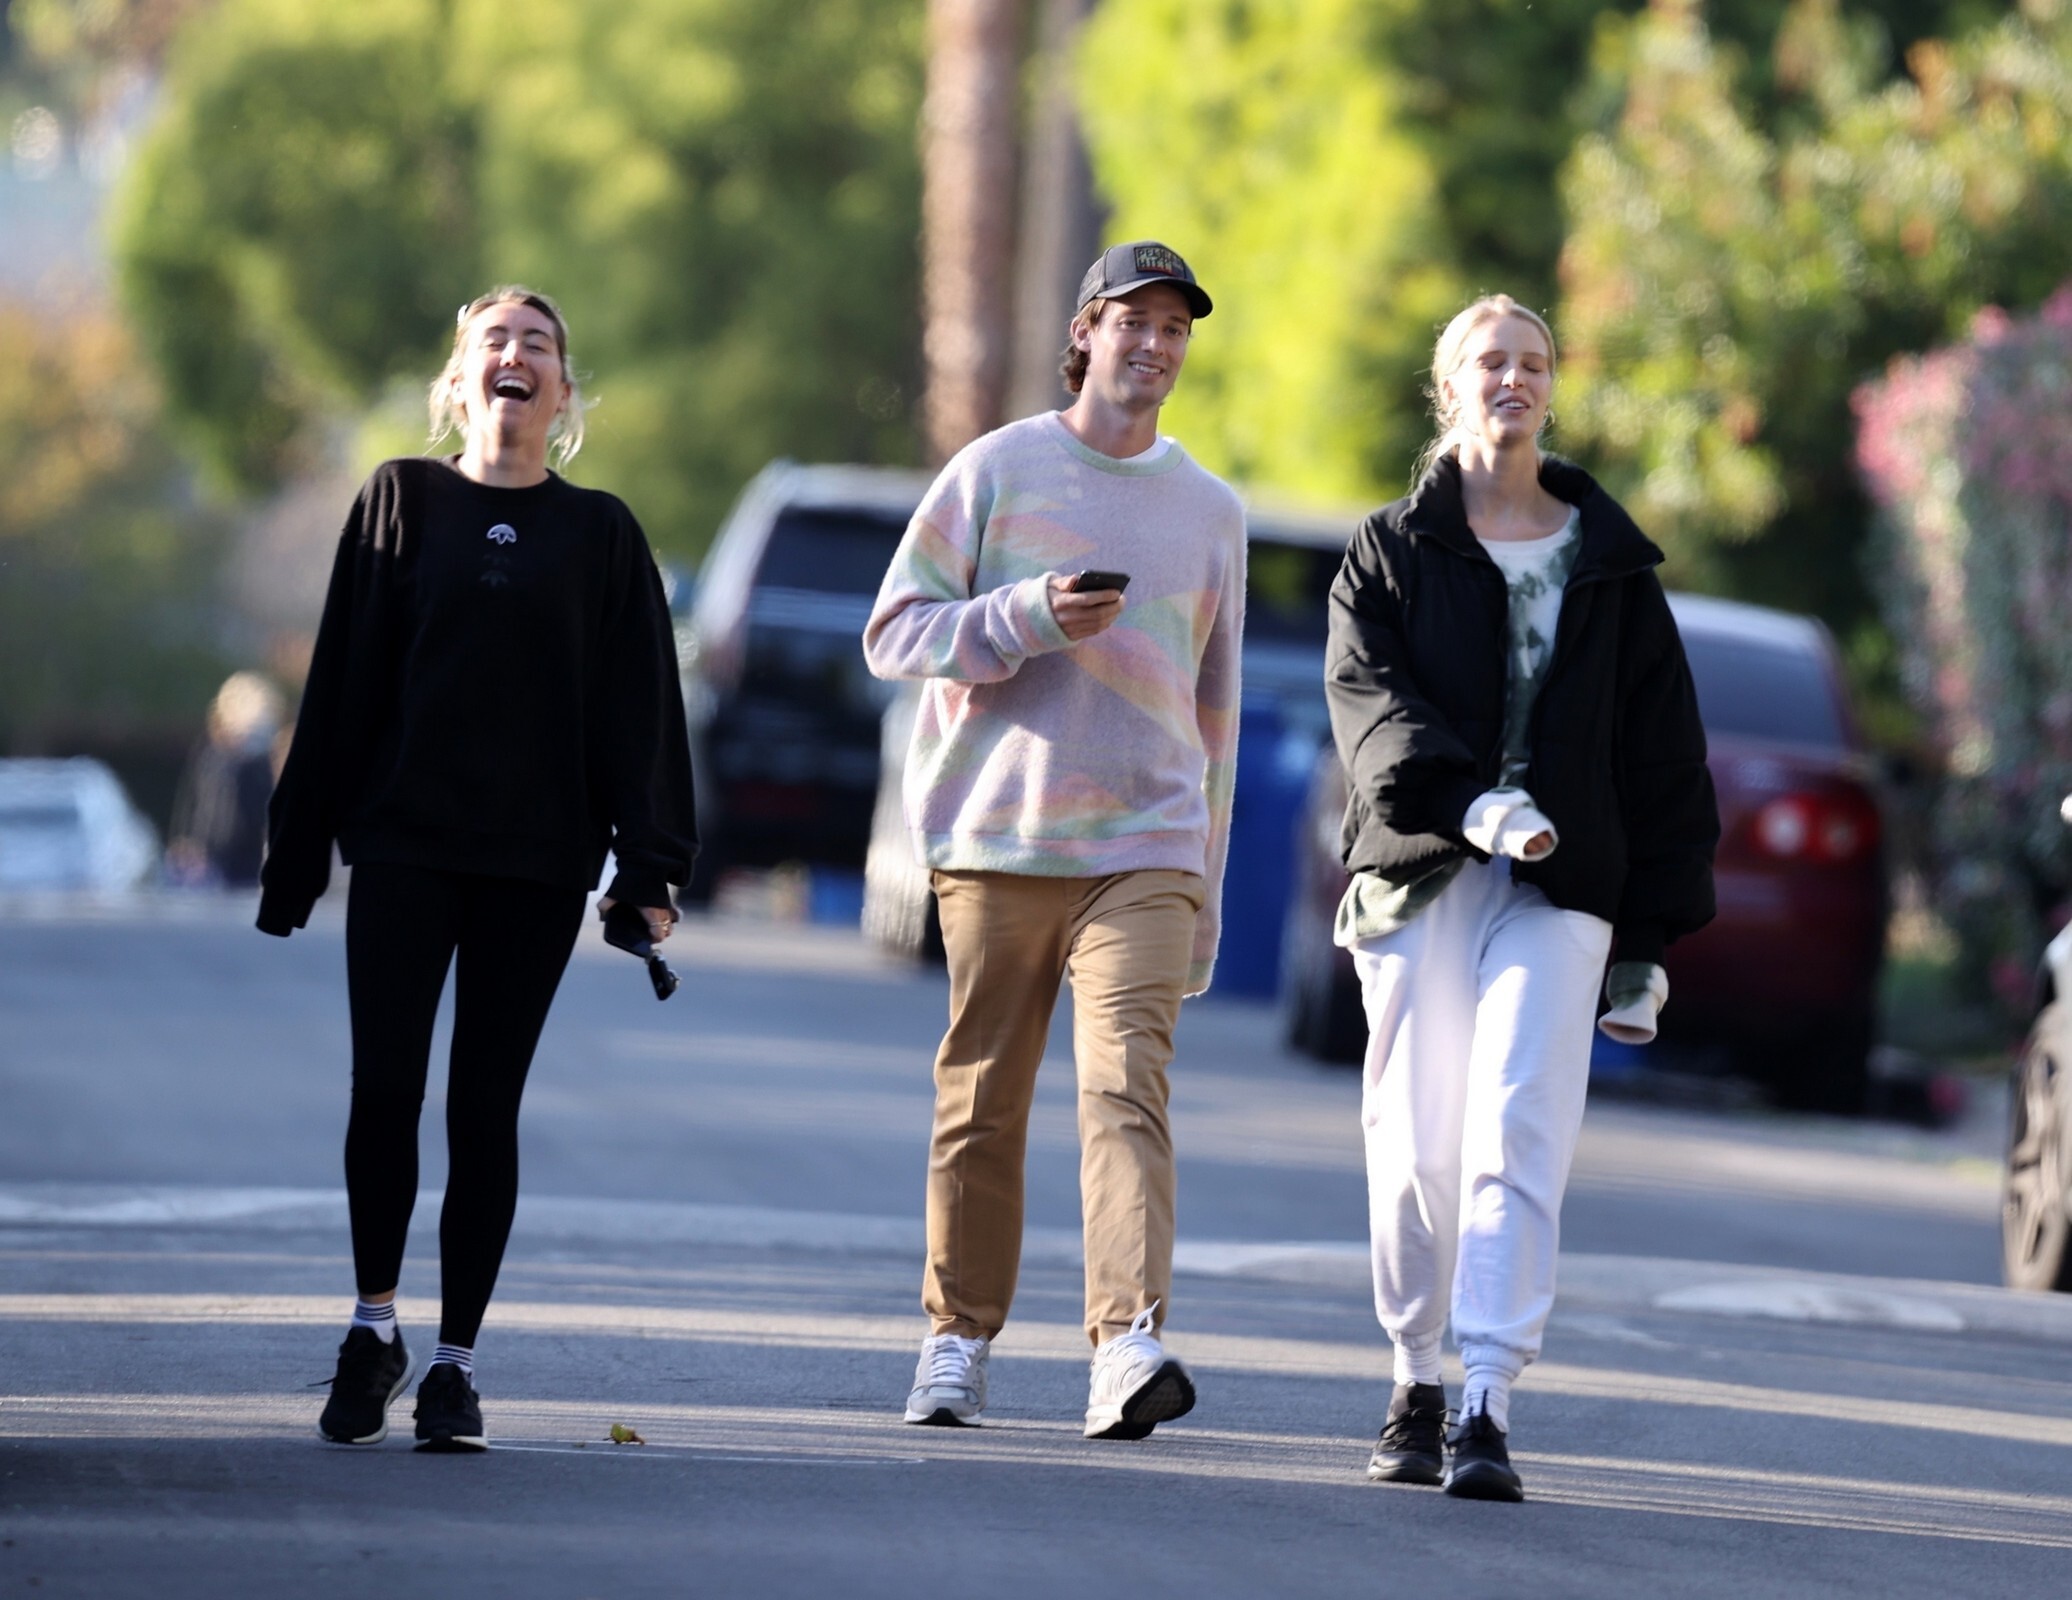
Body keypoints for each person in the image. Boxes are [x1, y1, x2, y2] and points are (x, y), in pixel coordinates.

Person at [257, 286, 697, 1451]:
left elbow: (639, 711)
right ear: (459, 382)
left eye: (537, 344)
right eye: (494, 341)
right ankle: (372, 1327)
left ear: (562, 394)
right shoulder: (399, 500)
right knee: (383, 1092)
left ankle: (453, 1365)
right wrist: (296, 856)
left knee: (483, 1107)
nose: (515, 355)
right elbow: (341, 686)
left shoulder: (601, 533)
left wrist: (648, 867)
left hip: (536, 861)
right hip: (404, 843)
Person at [1326, 295, 1716, 1500]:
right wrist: (1472, 805)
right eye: (1488, 361)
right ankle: (1412, 1377)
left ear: (1551, 386)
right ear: (1448, 386)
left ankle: (1486, 1401)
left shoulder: (1609, 563)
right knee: (1415, 1141)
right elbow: (1371, 713)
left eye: (1532, 362)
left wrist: (1644, 941)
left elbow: (1660, 757)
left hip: (1562, 884)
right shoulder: (1388, 549)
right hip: (1422, 872)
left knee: (1516, 1127)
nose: (1513, 379)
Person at [863, 242, 1245, 1440]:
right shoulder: (994, 469)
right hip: (1001, 837)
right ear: (1084, 332)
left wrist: (1204, 885)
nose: (1154, 345)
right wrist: (1026, 616)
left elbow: (1217, 714)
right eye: (1133, 321)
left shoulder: (1210, 511)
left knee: (1126, 1086)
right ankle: (954, 1338)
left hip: (1148, 847)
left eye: (1174, 328)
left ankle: (1125, 1342)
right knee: (983, 1097)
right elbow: (893, 632)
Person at [167, 671, 285, 887]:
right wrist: (184, 839)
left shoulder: (257, 766)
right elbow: (191, 801)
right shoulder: (208, 755)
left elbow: (260, 813)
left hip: (243, 867)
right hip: (203, 863)